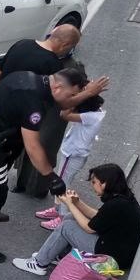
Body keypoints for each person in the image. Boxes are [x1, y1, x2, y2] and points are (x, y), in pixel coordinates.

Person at [0, 69, 98, 262]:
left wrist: (87, 93)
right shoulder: (33, 102)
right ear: (58, 86)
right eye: (71, 94)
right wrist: (51, 177)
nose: (71, 99)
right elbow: (33, 146)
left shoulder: (28, 77)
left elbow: (61, 101)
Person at [0, 25, 86, 198]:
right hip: (18, 121)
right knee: (5, 162)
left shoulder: (22, 44)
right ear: (66, 45)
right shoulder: (54, 65)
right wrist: (88, 93)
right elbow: (61, 101)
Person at [13, 163, 140, 275]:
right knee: (71, 217)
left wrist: (69, 204)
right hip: (115, 248)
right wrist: (77, 202)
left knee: (66, 227)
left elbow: (89, 227)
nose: (92, 186)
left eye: (94, 182)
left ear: (104, 184)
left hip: (111, 257)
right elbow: (98, 216)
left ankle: (39, 264)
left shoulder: (117, 204)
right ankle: (58, 254)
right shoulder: (123, 198)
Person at [35, 95, 106, 230]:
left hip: (72, 155)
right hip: (75, 154)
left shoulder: (89, 116)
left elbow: (64, 114)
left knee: (62, 185)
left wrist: (73, 101)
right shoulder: (97, 112)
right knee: (63, 182)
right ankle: (57, 210)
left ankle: (61, 217)